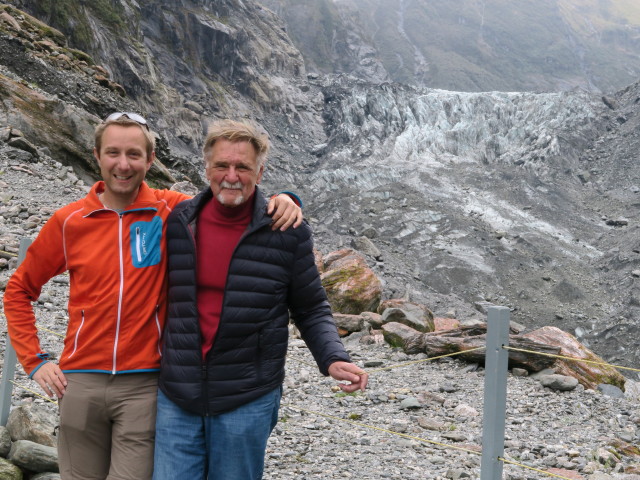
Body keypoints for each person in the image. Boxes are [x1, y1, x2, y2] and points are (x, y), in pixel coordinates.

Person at [3, 112, 303, 480]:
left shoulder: (173, 211)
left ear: (150, 160)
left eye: (134, 154)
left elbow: (230, 195)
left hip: (144, 383)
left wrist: (286, 198)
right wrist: (34, 360)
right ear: (97, 155)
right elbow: (19, 289)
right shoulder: (69, 221)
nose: (123, 165)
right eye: (113, 153)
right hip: (79, 381)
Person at [153, 119, 368, 480]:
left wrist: (332, 357)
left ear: (260, 171)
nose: (231, 176)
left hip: (246, 394)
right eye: (222, 165)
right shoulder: (179, 221)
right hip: (178, 392)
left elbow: (310, 306)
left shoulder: (286, 231)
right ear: (206, 168)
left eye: (243, 167)